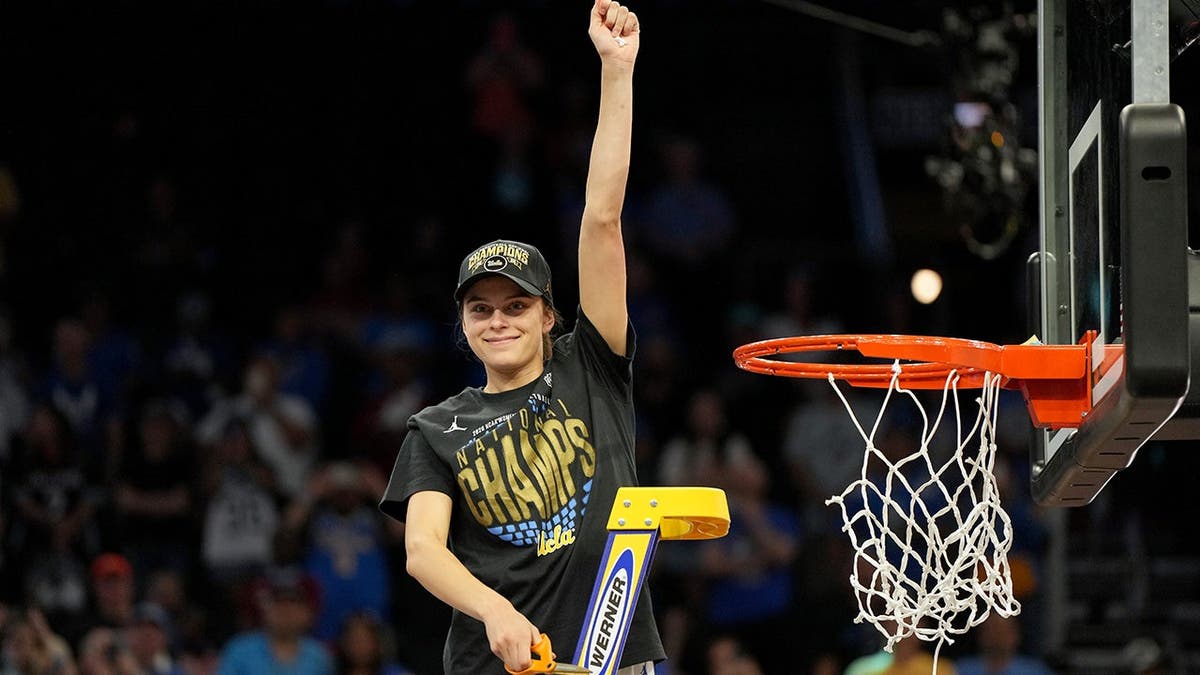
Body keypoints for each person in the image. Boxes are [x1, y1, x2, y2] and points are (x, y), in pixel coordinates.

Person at [378, 2, 656, 673]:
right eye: (480, 308)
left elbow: (601, 219)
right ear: (464, 326)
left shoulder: (592, 364)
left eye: (515, 304)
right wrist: (494, 608)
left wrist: (616, 73)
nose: (497, 319)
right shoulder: (435, 428)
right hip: (495, 662)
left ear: (548, 316)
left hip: (610, 657)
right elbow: (423, 549)